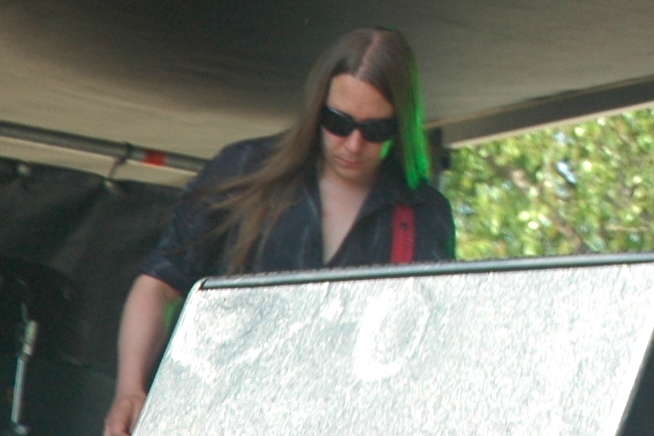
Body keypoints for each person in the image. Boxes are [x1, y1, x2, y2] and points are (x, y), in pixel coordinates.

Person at [103, 27, 454, 436]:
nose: (353, 144)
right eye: (338, 122)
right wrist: (129, 390)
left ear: (401, 125)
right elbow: (158, 285)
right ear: (317, 108)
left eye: (375, 130)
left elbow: (430, 347)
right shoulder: (243, 169)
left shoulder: (424, 213)